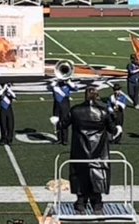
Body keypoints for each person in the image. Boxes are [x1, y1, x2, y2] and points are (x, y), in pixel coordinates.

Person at [67, 85, 121, 214]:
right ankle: (97, 204)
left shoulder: (75, 110)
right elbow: (112, 130)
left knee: (80, 175)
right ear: (96, 96)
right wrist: (117, 127)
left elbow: (63, 124)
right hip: (99, 150)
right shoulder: (103, 112)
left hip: (80, 149)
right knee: (98, 174)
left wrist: (56, 122)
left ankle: (81, 203)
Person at [50, 78, 75, 145]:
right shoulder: (55, 86)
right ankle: (59, 139)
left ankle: (65, 139)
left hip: (65, 105)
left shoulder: (67, 86)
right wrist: (54, 82)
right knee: (57, 122)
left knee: (64, 122)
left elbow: (75, 88)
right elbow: (49, 87)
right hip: (56, 106)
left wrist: (69, 82)